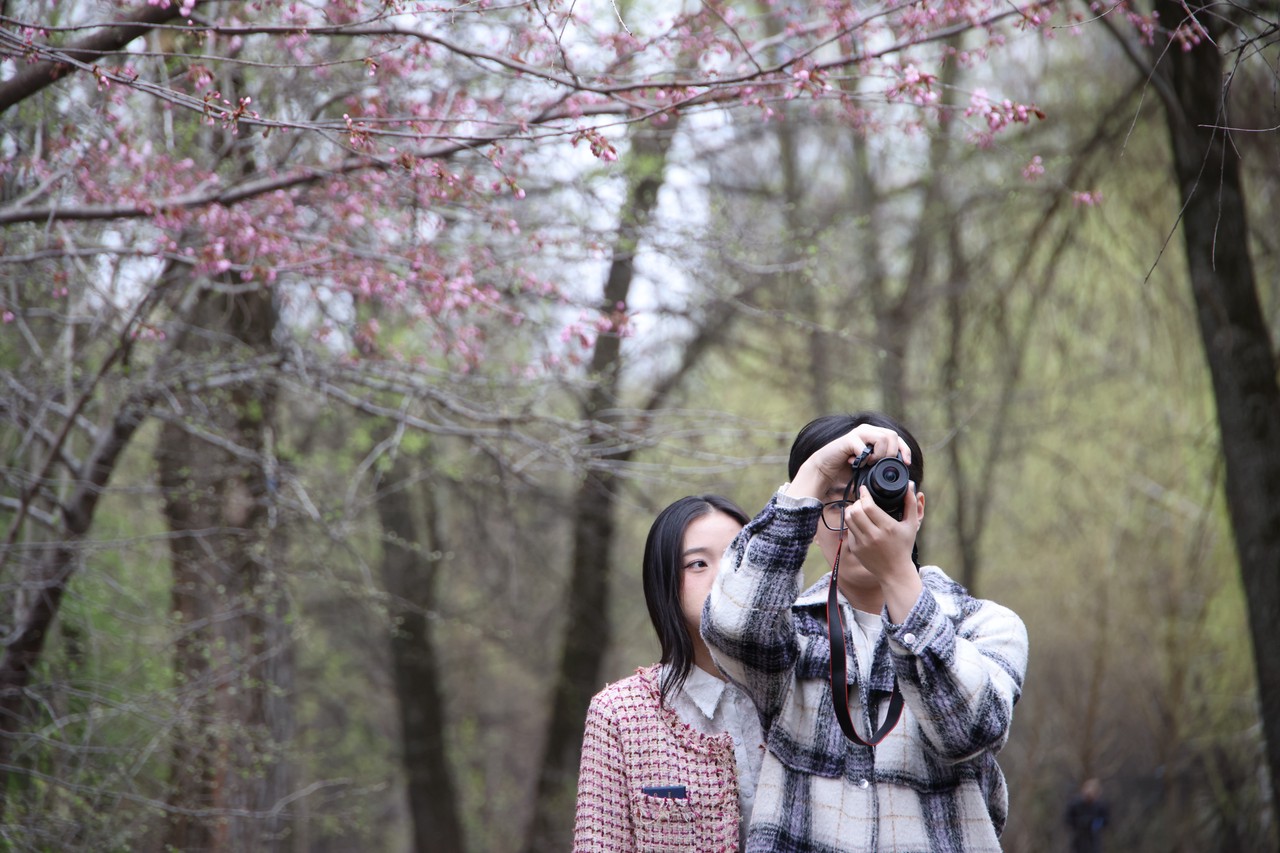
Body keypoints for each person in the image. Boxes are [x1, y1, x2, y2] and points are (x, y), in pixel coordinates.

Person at [702, 412, 1029, 852]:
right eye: (837, 503)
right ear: (810, 518)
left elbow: (970, 730)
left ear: (916, 509)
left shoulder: (985, 626)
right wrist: (814, 472)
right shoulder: (788, 630)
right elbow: (731, 627)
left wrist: (898, 576)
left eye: (879, 499)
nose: (859, 518)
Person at [573, 494, 766, 852]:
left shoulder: (804, 688)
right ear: (665, 584)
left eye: (739, 558)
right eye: (697, 564)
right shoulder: (619, 714)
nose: (724, 576)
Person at [1064, 778, 1109, 853]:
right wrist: (1078, 823)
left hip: (1093, 840)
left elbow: (1105, 820)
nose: (1088, 793)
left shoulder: (1100, 805)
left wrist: (1094, 824)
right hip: (1078, 839)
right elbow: (1067, 819)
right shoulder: (1075, 804)